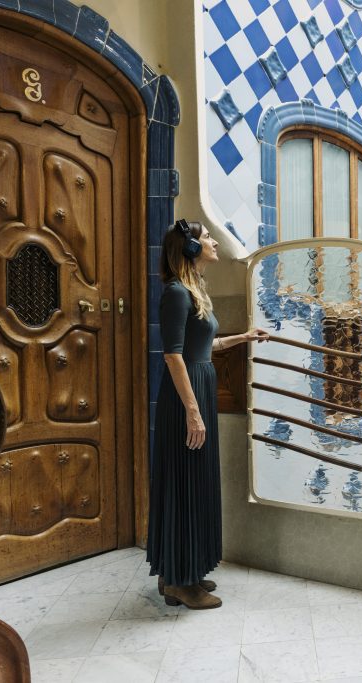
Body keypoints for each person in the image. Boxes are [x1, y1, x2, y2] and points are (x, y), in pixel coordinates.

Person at [147, 219, 267, 609]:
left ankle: (180, 573)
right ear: (192, 249)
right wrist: (193, 412)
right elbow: (172, 355)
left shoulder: (192, 291)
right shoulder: (176, 294)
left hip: (196, 388)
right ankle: (181, 582)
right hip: (186, 399)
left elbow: (204, 345)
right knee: (183, 483)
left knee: (193, 481)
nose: (214, 242)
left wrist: (244, 338)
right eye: (206, 238)